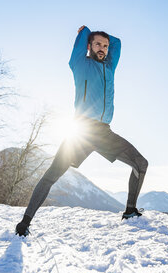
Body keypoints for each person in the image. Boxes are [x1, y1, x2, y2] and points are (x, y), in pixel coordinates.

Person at [15, 25, 148, 236]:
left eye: (105, 45)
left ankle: (130, 210)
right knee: (51, 175)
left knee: (140, 164)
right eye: (98, 44)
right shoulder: (79, 63)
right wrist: (86, 31)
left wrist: (101, 38)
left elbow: (118, 43)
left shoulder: (110, 66)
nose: (103, 48)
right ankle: (25, 222)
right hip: (82, 131)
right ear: (89, 46)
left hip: (104, 132)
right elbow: (85, 45)